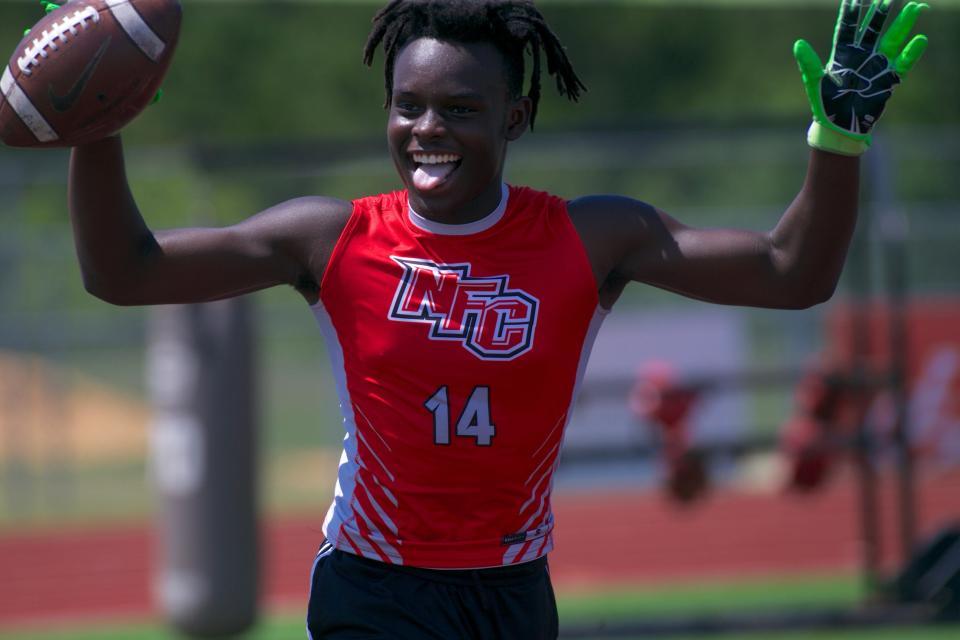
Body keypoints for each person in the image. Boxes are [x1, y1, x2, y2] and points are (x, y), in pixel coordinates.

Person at [65, 0, 928, 637]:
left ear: (515, 117)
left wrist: (838, 141)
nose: (427, 128)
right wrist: (95, 127)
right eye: (409, 106)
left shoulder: (591, 236)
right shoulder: (330, 237)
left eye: (461, 110)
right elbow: (123, 272)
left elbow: (792, 274)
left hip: (512, 594)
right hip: (372, 588)